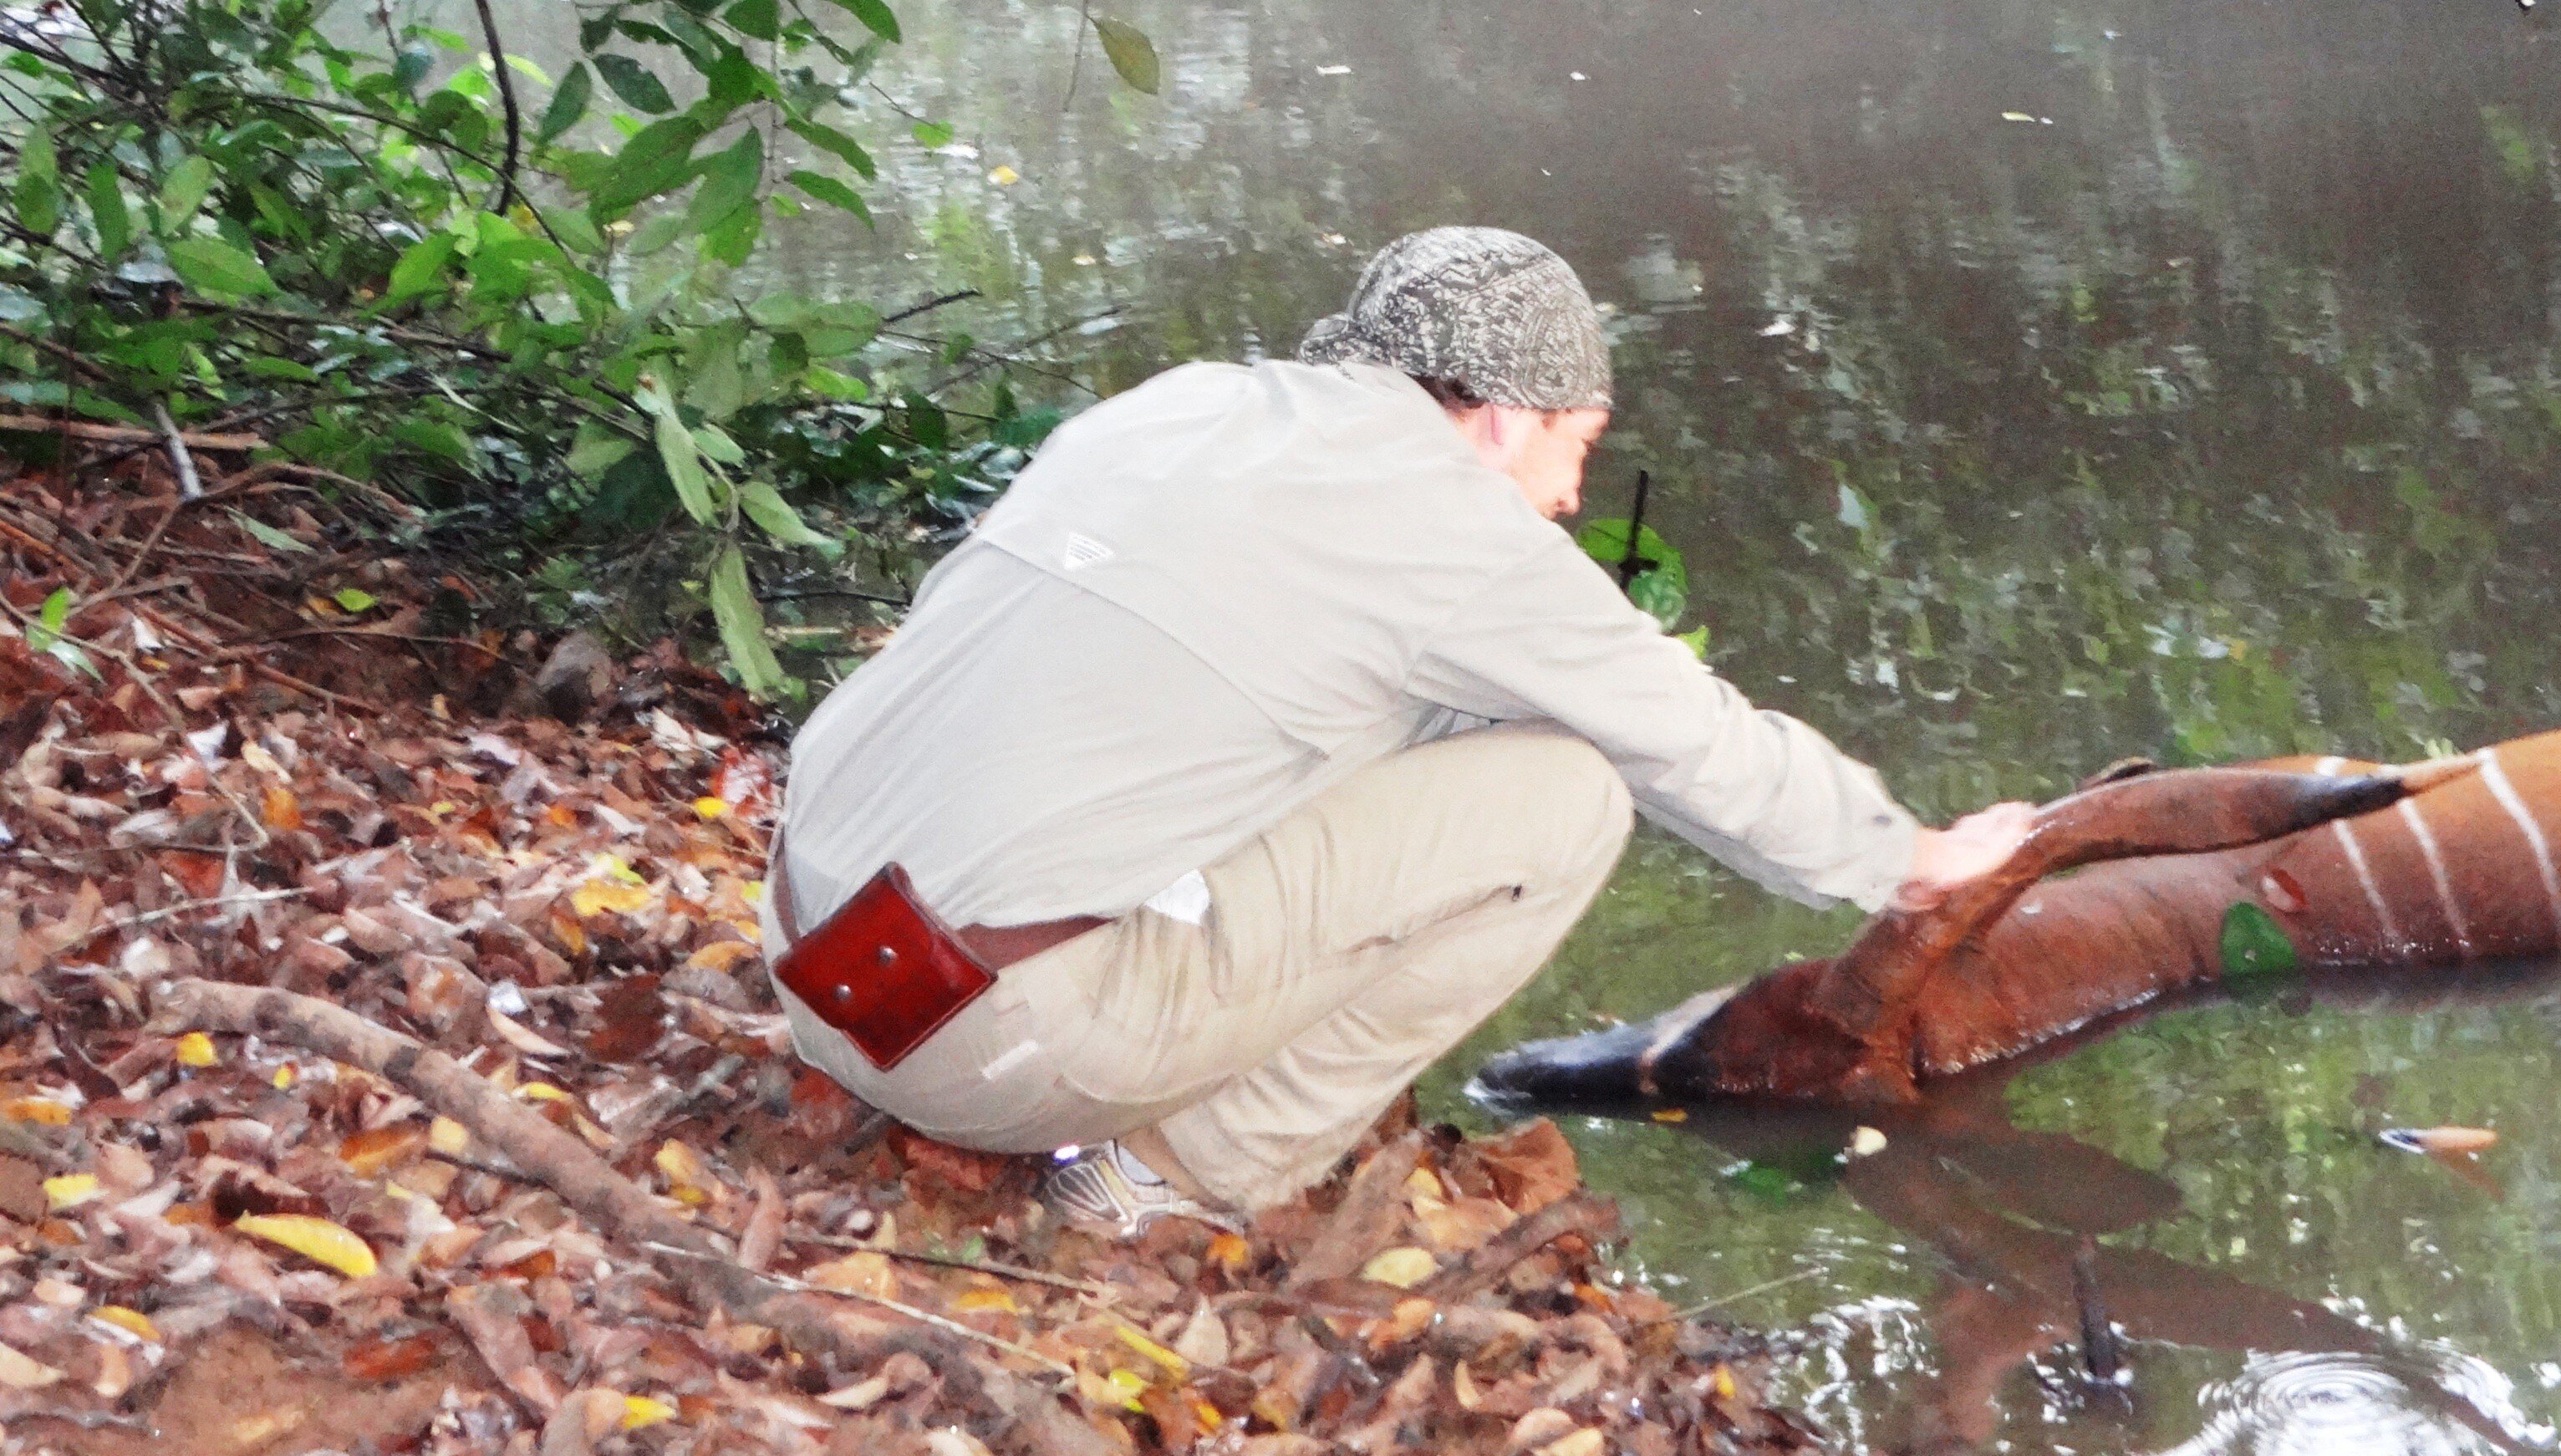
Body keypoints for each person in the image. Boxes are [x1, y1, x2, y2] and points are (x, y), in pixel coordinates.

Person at [759, 226, 2037, 1232]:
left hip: (808, 957)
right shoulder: (1457, 527)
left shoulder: (1184, 405)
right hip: (981, 1047)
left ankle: (1125, 1098)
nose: (1572, 493)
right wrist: (1916, 860)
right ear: (1498, 413)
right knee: (1572, 800)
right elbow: (1697, 745)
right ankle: (1170, 1180)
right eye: (1575, 444)